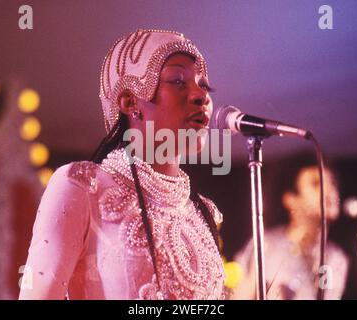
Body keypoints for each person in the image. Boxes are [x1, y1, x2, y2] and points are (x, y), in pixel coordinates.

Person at [19, 29, 225, 300]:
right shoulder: (82, 186)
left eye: (204, 85)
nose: (202, 96)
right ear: (129, 102)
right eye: (178, 81)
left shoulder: (202, 212)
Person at [232, 153, 349, 300]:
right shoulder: (266, 246)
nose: (329, 191)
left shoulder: (337, 257)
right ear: (291, 200)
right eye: (315, 184)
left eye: (332, 183)